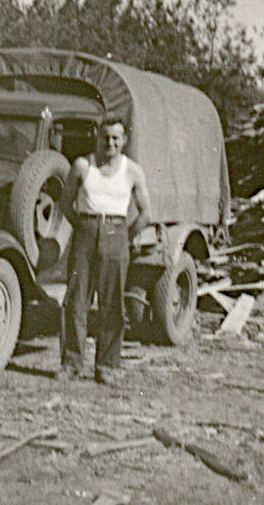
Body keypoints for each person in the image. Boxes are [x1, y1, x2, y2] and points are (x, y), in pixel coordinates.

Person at [57, 118, 151, 385]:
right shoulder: (82, 166)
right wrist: (84, 227)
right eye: (105, 137)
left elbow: (146, 213)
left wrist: (124, 236)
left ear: (124, 141)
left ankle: (107, 366)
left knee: (112, 304)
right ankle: (71, 364)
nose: (110, 143)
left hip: (117, 234)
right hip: (85, 234)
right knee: (76, 300)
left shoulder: (132, 171)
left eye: (115, 138)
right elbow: (65, 202)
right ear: (96, 138)